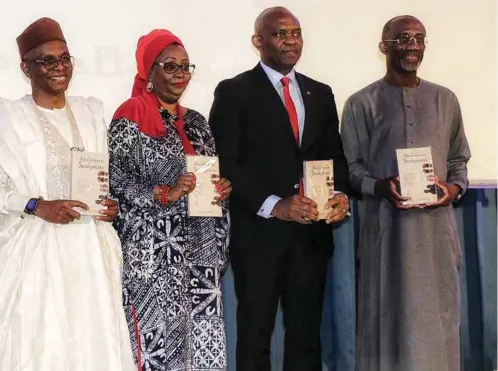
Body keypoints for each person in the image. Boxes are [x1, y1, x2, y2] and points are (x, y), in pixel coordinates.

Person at [0, 17, 135, 371]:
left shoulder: (91, 112)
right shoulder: (8, 119)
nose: (59, 68)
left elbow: (98, 178)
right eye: (48, 60)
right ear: (25, 68)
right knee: (41, 345)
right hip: (33, 253)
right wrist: (35, 205)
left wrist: (107, 206)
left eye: (64, 59)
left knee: (92, 344)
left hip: (89, 254)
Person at [208, 7, 351, 371]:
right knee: (255, 336)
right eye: (280, 34)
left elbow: (335, 158)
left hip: (311, 237)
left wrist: (340, 197)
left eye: (296, 33)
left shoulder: (320, 93)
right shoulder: (234, 91)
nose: (291, 41)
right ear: (258, 42)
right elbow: (225, 161)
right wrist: (275, 205)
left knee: (305, 337)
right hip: (259, 239)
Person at [340, 15, 471, 371]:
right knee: (385, 314)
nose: (412, 45)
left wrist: (452, 188)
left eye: (419, 38)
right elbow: (352, 171)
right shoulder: (360, 103)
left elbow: (459, 161)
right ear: (384, 46)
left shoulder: (446, 100)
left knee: (437, 317)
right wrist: (381, 186)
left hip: (435, 235)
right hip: (386, 232)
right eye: (402, 38)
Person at [108, 29, 233, 371]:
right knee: (157, 346)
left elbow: (206, 172)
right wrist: (165, 193)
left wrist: (221, 189)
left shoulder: (196, 122)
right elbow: (115, 183)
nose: (180, 73)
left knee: (203, 345)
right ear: (149, 72)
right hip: (153, 254)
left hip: (200, 251)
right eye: (169, 66)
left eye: (185, 66)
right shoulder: (129, 116)